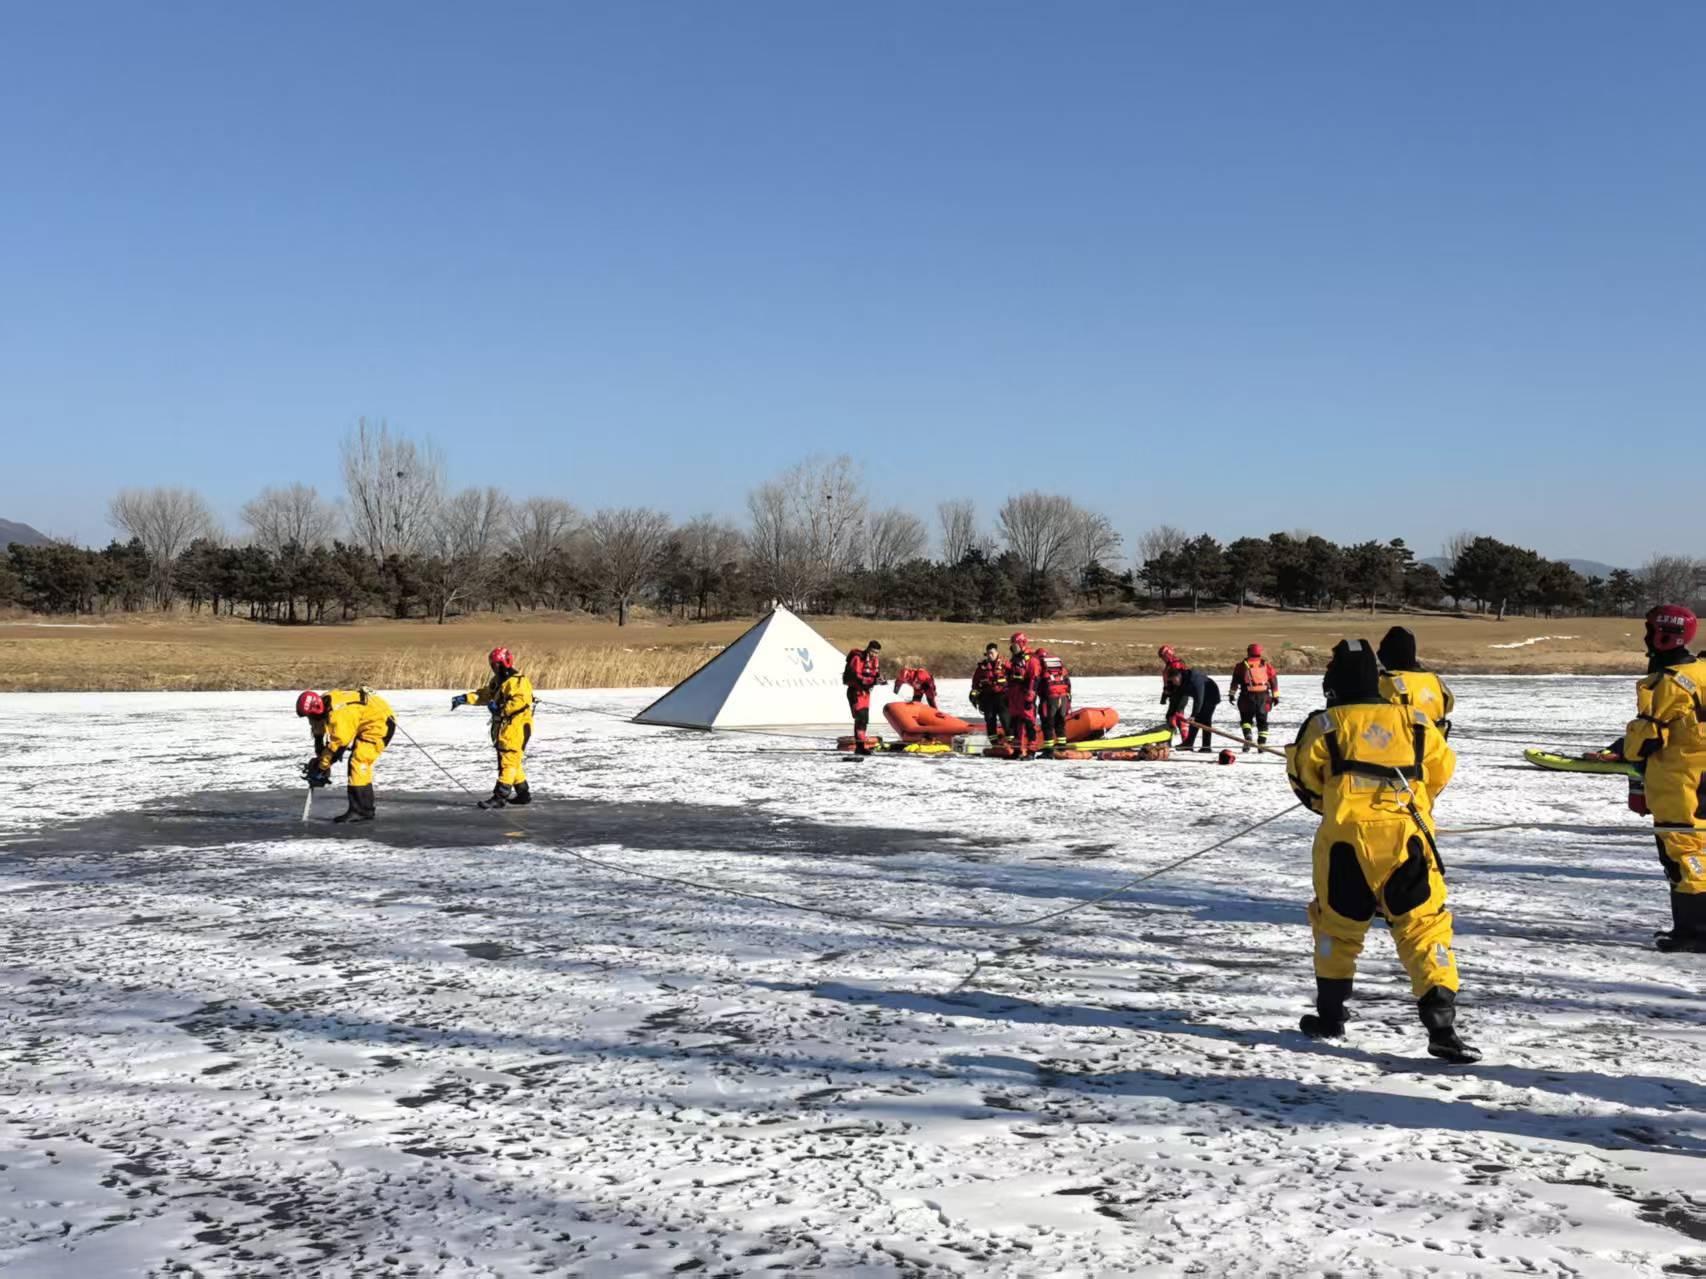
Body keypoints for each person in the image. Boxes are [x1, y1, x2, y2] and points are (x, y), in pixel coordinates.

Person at [1285, 639, 1476, 1063]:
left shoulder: (1324, 725)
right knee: (1424, 928)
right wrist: (1416, 802)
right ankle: (1441, 1024)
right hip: (1407, 838)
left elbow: (1303, 778)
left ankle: (1330, 1016)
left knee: (1337, 927)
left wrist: (1332, 800)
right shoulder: (1419, 723)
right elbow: (1441, 771)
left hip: (1343, 842)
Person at [1622, 604, 1706, 952]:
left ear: (1664, 636)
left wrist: (1624, 745)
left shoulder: (1668, 683)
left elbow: (1645, 740)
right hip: (1701, 775)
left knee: (1683, 853)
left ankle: (1695, 932)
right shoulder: (1702, 670)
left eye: (1650, 633)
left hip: (1678, 781)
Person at [452, 646, 536, 809]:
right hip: (504, 727)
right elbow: (485, 695)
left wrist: (500, 708)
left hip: (517, 727)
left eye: (497, 664)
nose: (494, 667)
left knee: (508, 761)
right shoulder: (497, 681)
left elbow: (519, 702)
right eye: (493, 664)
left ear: (505, 662)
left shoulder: (518, 681)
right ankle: (523, 793)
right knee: (512, 760)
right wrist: (465, 698)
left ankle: (500, 796)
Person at [297, 687, 396, 823]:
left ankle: (362, 811)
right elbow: (318, 724)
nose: (310, 719)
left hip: (380, 724)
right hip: (364, 718)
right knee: (356, 760)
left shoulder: (339, 715)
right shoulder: (325, 702)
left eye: (310, 716)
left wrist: (322, 767)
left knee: (359, 761)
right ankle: (363, 808)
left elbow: (338, 745)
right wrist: (319, 747)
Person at [1377, 626, 1455, 734]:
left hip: (1401, 748)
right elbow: (1449, 705)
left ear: (1388, 656)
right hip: (1436, 748)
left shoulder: (1384, 683)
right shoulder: (1436, 681)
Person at [1229, 643, 1279, 751]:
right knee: (1262, 721)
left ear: (1248, 652)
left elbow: (1235, 682)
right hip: (1263, 696)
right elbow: (1274, 681)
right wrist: (1275, 696)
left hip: (1247, 696)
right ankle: (1261, 744)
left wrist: (1232, 694)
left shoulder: (1241, 665)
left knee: (1246, 720)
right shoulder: (1265, 665)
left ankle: (1248, 736)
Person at [1166, 662, 1222, 753]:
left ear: (1178, 676)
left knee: (1201, 719)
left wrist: (1194, 714)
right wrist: (1172, 712)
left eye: (1174, 680)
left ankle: (1193, 744)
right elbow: (1177, 697)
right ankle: (1203, 746)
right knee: (1204, 721)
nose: (1174, 683)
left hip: (1211, 695)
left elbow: (1198, 699)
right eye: (1171, 681)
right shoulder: (1182, 681)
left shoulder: (1194, 680)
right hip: (1203, 697)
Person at [1004, 632, 1043, 758]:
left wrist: (1030, 696)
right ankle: (1017, 750)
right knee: (1015, 723)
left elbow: (1034, 678)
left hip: (1025, 695)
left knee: (1028, 723)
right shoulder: (1015, 659)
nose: (1013, 647)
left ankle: (1031, 751)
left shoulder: (1031, 659)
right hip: (1014, 695)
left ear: (1021, 644)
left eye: (1015, 645)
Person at [843, 640, 883, 755]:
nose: (875, 655)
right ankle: (859, 747)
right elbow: (855, 676)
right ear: (869, 649)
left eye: (877, 653)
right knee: (860, 718)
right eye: (873, 652)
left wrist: (879, 679)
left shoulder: (874, 660)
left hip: (865, 693)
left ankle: (861, 746)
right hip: (855, 691)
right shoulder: (857, 658)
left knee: (864, 719)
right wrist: (871, 680)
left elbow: (875, 674)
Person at [1033, 647, 1073, 753]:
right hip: (1063, 698)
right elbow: (1068, 683)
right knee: (1060, 723)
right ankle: (1062, 748)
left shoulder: (1040, 667)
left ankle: (1048, 751)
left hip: (1049, 699)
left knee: (1047, 724)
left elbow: (1035, 683)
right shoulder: (1060, 667)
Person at [970, 643, 1009, 742]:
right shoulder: (982, 667)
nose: (989, 655)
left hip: (1002, 695)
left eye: (991, 653)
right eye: (988, 653)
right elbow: (976, 682)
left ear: (996, 653)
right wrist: (974, 694)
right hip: (988, 696)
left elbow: (1014, 677)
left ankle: (1011, 741)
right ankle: (994, 743)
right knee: (990, 719)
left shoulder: (1005, 664)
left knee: (1005, 719)